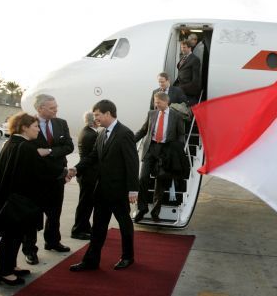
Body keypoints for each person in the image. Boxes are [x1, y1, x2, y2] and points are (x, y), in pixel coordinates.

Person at [0, 112, 67, 286]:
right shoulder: (25, 147)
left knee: (14, 237)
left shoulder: (12, 143)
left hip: (11, 200)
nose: (38, 130)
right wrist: (63, 173)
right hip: (17, 203)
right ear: (24, 127)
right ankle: (4, 273)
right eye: (35, 127)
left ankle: (11, 266)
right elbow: (39, 173)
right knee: (12, 237)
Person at [68, 99, 139, 271]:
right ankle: (91, 261)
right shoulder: (101, 133)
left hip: (119, 191)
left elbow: (132, 163)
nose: (96, 118)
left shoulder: (125, 133)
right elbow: (93, 156)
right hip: (101, 190)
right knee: (99, 227)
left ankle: (128, 257)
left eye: (98, 115)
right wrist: (75, 169)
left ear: (108, 113)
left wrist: (133, 189)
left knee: (124, 225)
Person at [22, 94, 74, 265]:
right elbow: (28, 149)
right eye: (52, 108)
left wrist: (50, 152)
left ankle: (52, 242)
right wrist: (44, 153)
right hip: (36, 178)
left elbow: (69, 146)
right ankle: (30, 250)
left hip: (57, 176)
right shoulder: (29, 123)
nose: (56, 110)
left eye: (56, 106)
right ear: (40, 109)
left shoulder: (61, 123)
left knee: (54, 212)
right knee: (32, 215)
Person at [134, 92, 185, 222]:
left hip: (165, 151)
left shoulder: (176, 116)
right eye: (155, 102)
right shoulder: (152, 114)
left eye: (158, 102)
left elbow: (181, 134)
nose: (156, 104)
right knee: (143, 178)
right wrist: (131, 140)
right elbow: (143, 130)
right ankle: (142, 208)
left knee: (161, 182)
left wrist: (177, 150)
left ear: (165, 102)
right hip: (150, 149)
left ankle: (155, 212)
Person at [71, 112, 98, 240]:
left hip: (86, 173)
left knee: (87, 203)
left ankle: (85, 227)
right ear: (94, 121)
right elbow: (93, 157)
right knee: (85, 204)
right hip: (88, 174)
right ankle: (77, 230)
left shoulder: (86, 131)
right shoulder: (92, 135)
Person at [173, 40, 201, 106]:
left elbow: (195, 80)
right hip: (180, 88)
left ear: (189, 48)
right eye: (181, 47)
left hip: (188, 91)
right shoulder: (183, 57)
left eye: (184, 47)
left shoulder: (195, 59)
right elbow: (181, 72)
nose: (182, 49)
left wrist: (181, 88)